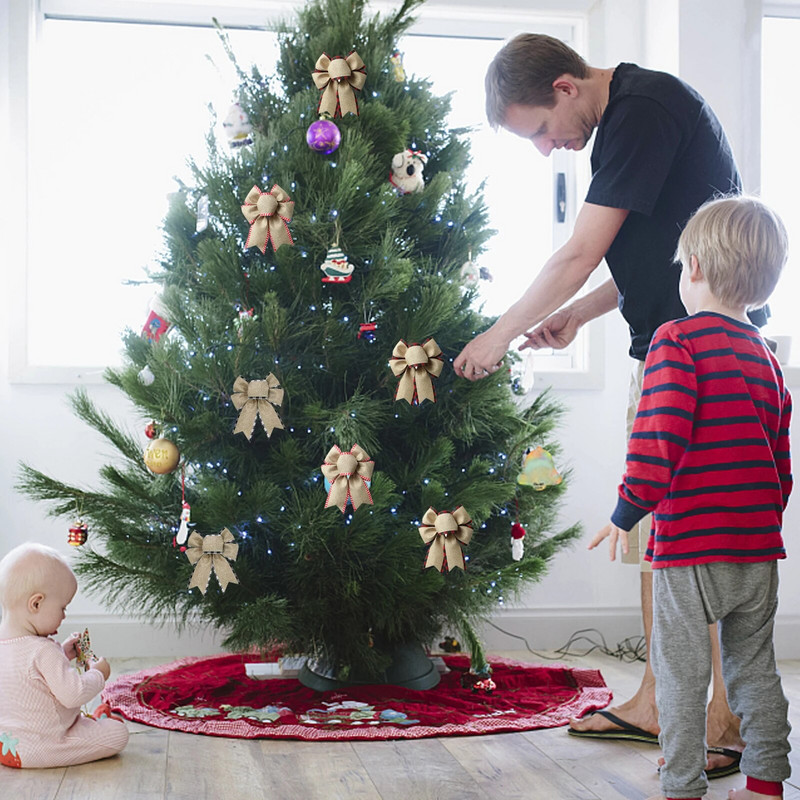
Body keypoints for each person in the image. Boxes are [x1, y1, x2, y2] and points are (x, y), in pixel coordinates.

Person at [453, 33, 753, 774]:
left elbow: (578, 251)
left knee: (689, 544)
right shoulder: (632, 119)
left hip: (699, 359)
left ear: (564, 85)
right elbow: (652, 252)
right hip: (669, 348)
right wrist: (581, 317)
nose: (546, 150)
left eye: (539, 132)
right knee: (658, 538)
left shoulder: (642, 111)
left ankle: (719, 721)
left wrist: (498, 336)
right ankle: (659, 701)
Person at [591, 195, 791, 800]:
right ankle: (765, 784)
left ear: (695, 267)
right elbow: (782, 468)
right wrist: (756, 520)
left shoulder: (675, 342)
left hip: (690, 549)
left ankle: (682, 783)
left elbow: (659, 438)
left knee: (680, 673)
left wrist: (626, 512)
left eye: (679, 267)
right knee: (754, 667)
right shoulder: (766, 358)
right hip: (756, 550)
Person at [0, 542, 128, 769]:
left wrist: (63, 653)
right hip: (47, 746)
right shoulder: (42, 650)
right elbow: (73, 694)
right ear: (36, 603)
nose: (64, 616)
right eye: (62, 607)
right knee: (118, 734)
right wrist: (99, 674)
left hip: (8, 747)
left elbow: (31, 675)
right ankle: (97, 723)